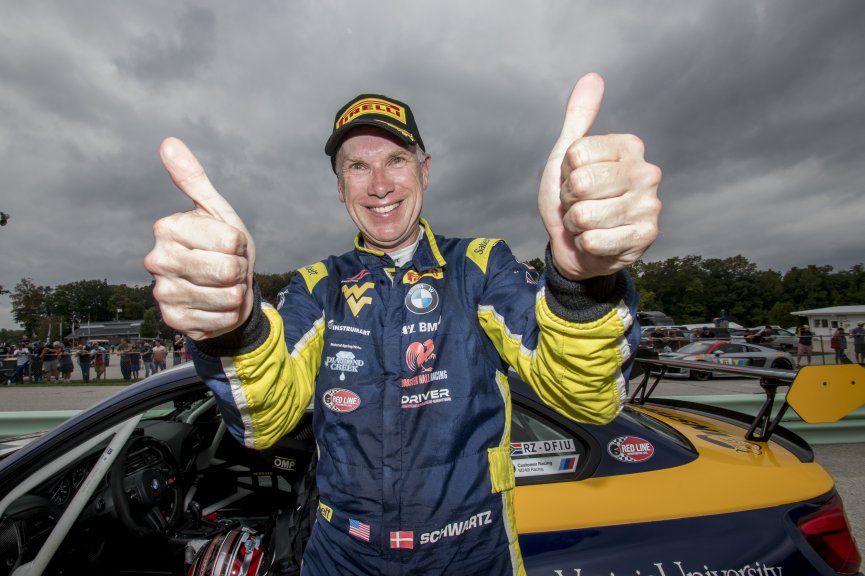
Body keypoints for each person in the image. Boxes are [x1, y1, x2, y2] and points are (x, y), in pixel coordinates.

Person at [145, 74, 661, 575]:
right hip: (341, 554)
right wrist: (233, 325)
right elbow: (264, 423)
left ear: (425, 170)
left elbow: (587, 398)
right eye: (357, 167)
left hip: (473, 554)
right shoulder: (317, 286)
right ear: (339, 186)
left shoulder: (479, 268)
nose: (380, 185)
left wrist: (580, 282)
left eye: (396, 160)